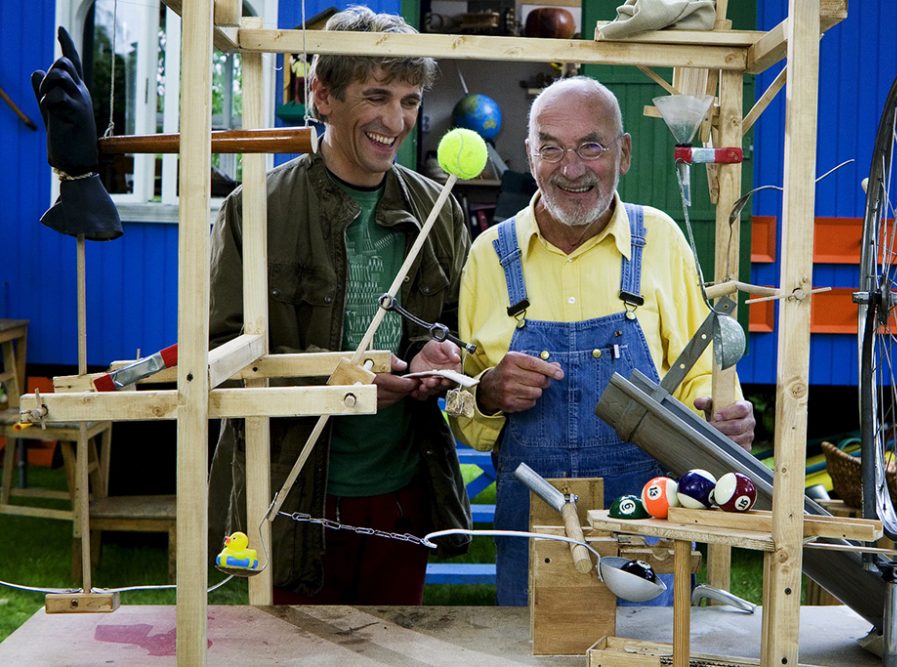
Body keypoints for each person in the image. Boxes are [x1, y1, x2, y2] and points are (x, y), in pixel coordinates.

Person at [451, 76, 755, 605]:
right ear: (529, 153)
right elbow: (465, 414)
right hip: (532, 529)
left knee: (650, 652)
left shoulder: (659, 240)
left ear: (625, 152)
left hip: (645, 523)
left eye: (591, 145)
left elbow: (700, 379)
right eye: (551, 148)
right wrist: (487, 394)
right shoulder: (488, 255)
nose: (571, 169)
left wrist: (718, 418)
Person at [207, 6, 472, 605]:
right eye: (376, 96)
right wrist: (340, 385)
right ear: (323, 96)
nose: (395, 120)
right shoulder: (259, 207)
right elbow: (219, 358)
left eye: (409, 100)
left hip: (404, 488)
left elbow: (453, 326)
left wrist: (438, 354)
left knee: (393, 647)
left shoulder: (439, 207)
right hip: (292, 490)